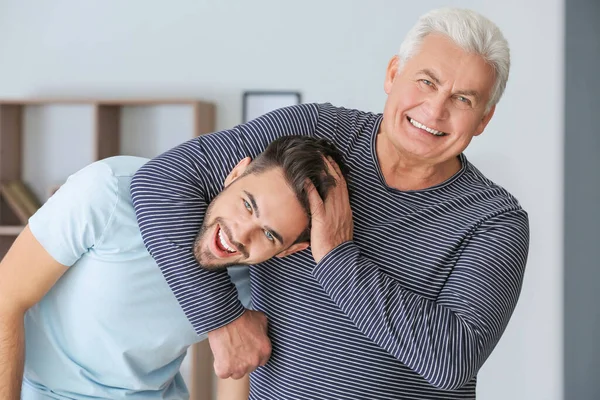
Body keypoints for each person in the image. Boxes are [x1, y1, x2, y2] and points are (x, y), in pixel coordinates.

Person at [130, 7, 530, 400]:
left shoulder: (495, 220)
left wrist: (338, 258)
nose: (436, 110)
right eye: (426, 81)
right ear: (393, 74)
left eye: (462, 99)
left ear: (483, 119)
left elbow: (452, 361)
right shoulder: (313, 131)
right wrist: (223, 320)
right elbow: (160, 183)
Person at [0, 136, 345, 400]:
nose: (240, 235)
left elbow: (240, 362)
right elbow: (6, 300)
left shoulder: (257, 276)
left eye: (269, 234)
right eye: (247, 204)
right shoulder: (108, 190)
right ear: (236, 173)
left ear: (289, 250)